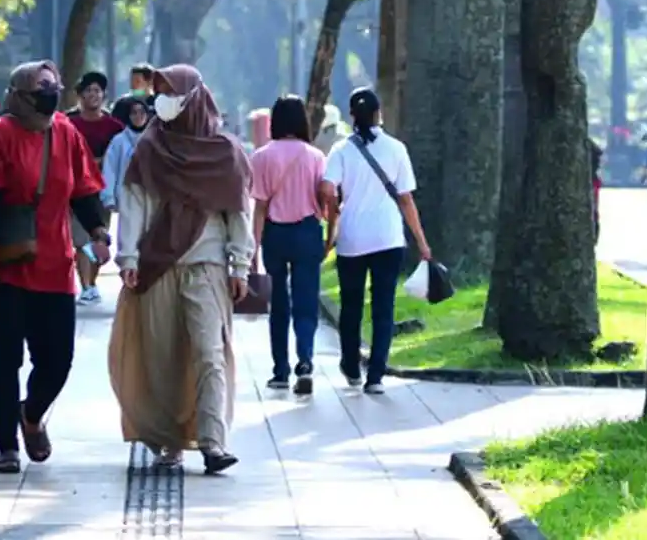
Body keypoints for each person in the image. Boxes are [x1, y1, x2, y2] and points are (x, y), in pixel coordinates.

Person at [0, 60, 110, 474]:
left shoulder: (66, 132)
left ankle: (31, 413)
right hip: (3, 265)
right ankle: (7, 445)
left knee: (58, 359)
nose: (49, 95)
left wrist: (98, 231)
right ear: (19, 94)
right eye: (39, 88)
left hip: (54, 265)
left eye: (53, 88)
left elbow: (82, 191)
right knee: (3, 360)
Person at [109, 63, 254, 474]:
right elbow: (134, 203)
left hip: (206, 267)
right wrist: (129, 258)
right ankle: (168, 439)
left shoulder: (226, 153)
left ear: (193, 97)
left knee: (210, 354)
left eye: (171, 92)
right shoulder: (150, 149)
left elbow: (239, 214)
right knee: (164, 355)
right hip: (158, 266)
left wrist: (239, 266)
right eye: (159, 92)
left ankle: (213, 441)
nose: (162, 101)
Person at [320, 87, 430, 395]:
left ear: (352, 116)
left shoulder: (341, 150)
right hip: (387, 237)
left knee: (351, 304)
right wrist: (422, 242)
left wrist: (332, 222)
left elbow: (327, 189)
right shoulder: (396, 149)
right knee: (383, 305)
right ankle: (376, 375)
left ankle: (352, 366)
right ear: (379, 114)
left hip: (352, 239)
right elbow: (406, 199)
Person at [250, 96, 327, 395]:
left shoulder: (262, 157)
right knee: (307, 300)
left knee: (278, 302)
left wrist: (253, 247)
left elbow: (259, 207)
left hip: (275, 233)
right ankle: (305, 360)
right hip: (308, 231)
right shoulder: (316, 156)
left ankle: (280, 370)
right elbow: (325, 199)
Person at [67, 71, 124, 305]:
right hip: (75, 190)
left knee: (99, 237)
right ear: (80, 96)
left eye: (97, 91)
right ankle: (87, 286)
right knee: (80, 239)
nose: (93, 95)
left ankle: (92, 280)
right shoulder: (68, 123)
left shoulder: (114, 127)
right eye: (88, 91)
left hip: (103, 191)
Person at [101, 96, 149, 213]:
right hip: (126, 198)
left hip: (150, 198)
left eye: (142, 112)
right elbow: (110, 169)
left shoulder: (155, 139)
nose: (138, 116)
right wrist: (108, 198)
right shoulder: (119, 141)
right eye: (134, 113)